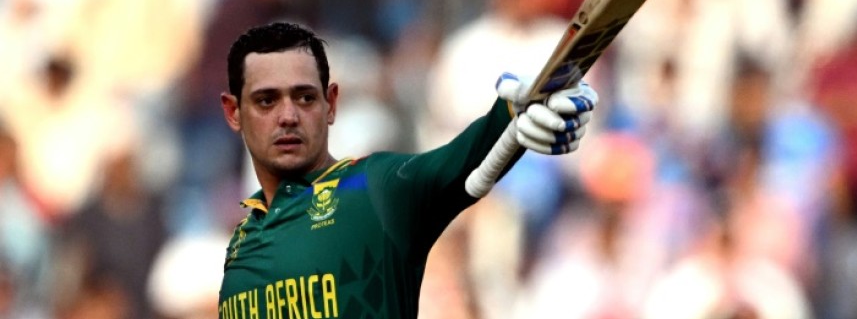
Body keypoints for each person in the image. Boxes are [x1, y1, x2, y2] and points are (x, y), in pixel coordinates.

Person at [216, 21, 598, 318]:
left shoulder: (373, 190)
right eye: (266, 101)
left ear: (331, 104)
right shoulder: (242, 241)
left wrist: (519, 111)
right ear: (233, 112)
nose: (287, 116)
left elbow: (460, 161)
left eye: (304, 97)